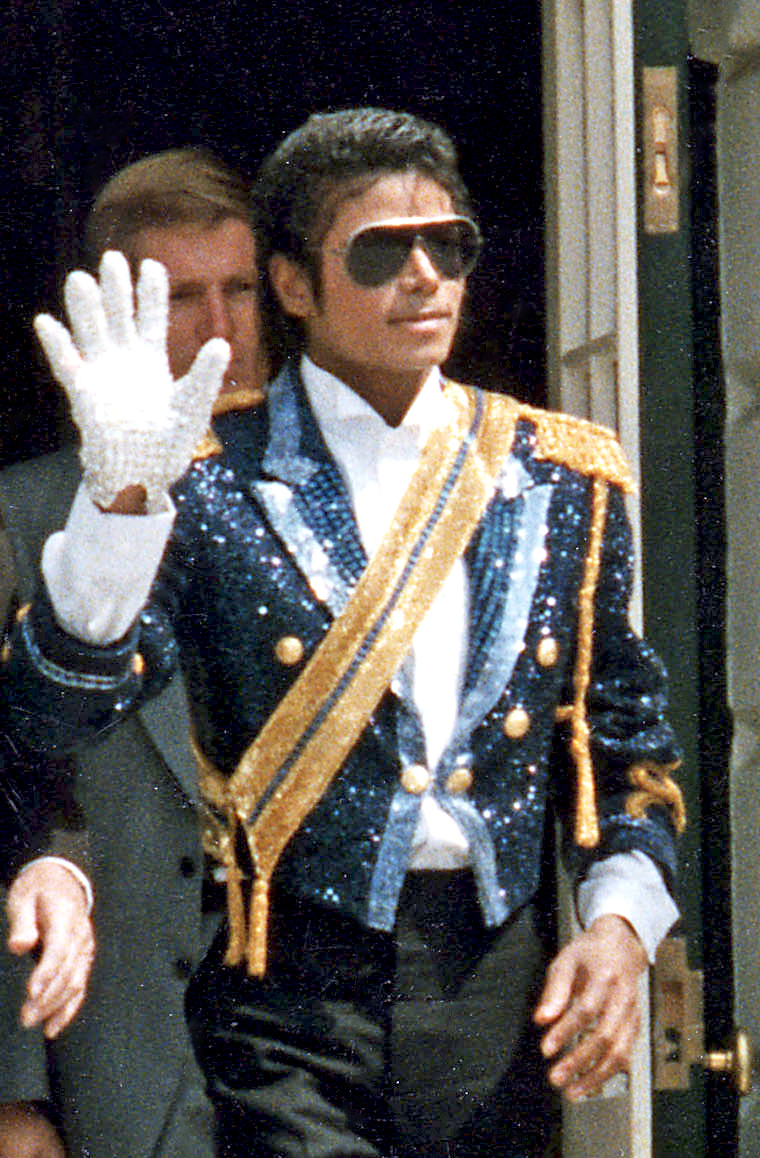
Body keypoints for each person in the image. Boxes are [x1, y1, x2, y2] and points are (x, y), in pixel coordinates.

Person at [0, 108, 685, 1157]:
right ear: (294, 284)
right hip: (287, 993)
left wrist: (620, 927)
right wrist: (120, 504)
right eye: (380, 252)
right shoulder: (208, 476)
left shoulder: (557, 475)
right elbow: (62, 711)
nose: (424, 278)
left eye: (446, 246)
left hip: (493, 986)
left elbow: (625, 751)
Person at [0, 146, 268, 1158]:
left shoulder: (354, 503)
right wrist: (12, 1096)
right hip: (115, 1059)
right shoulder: (24, 514)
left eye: (238, 290)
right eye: (179, 298)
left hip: (319, 1068)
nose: (216, 331)